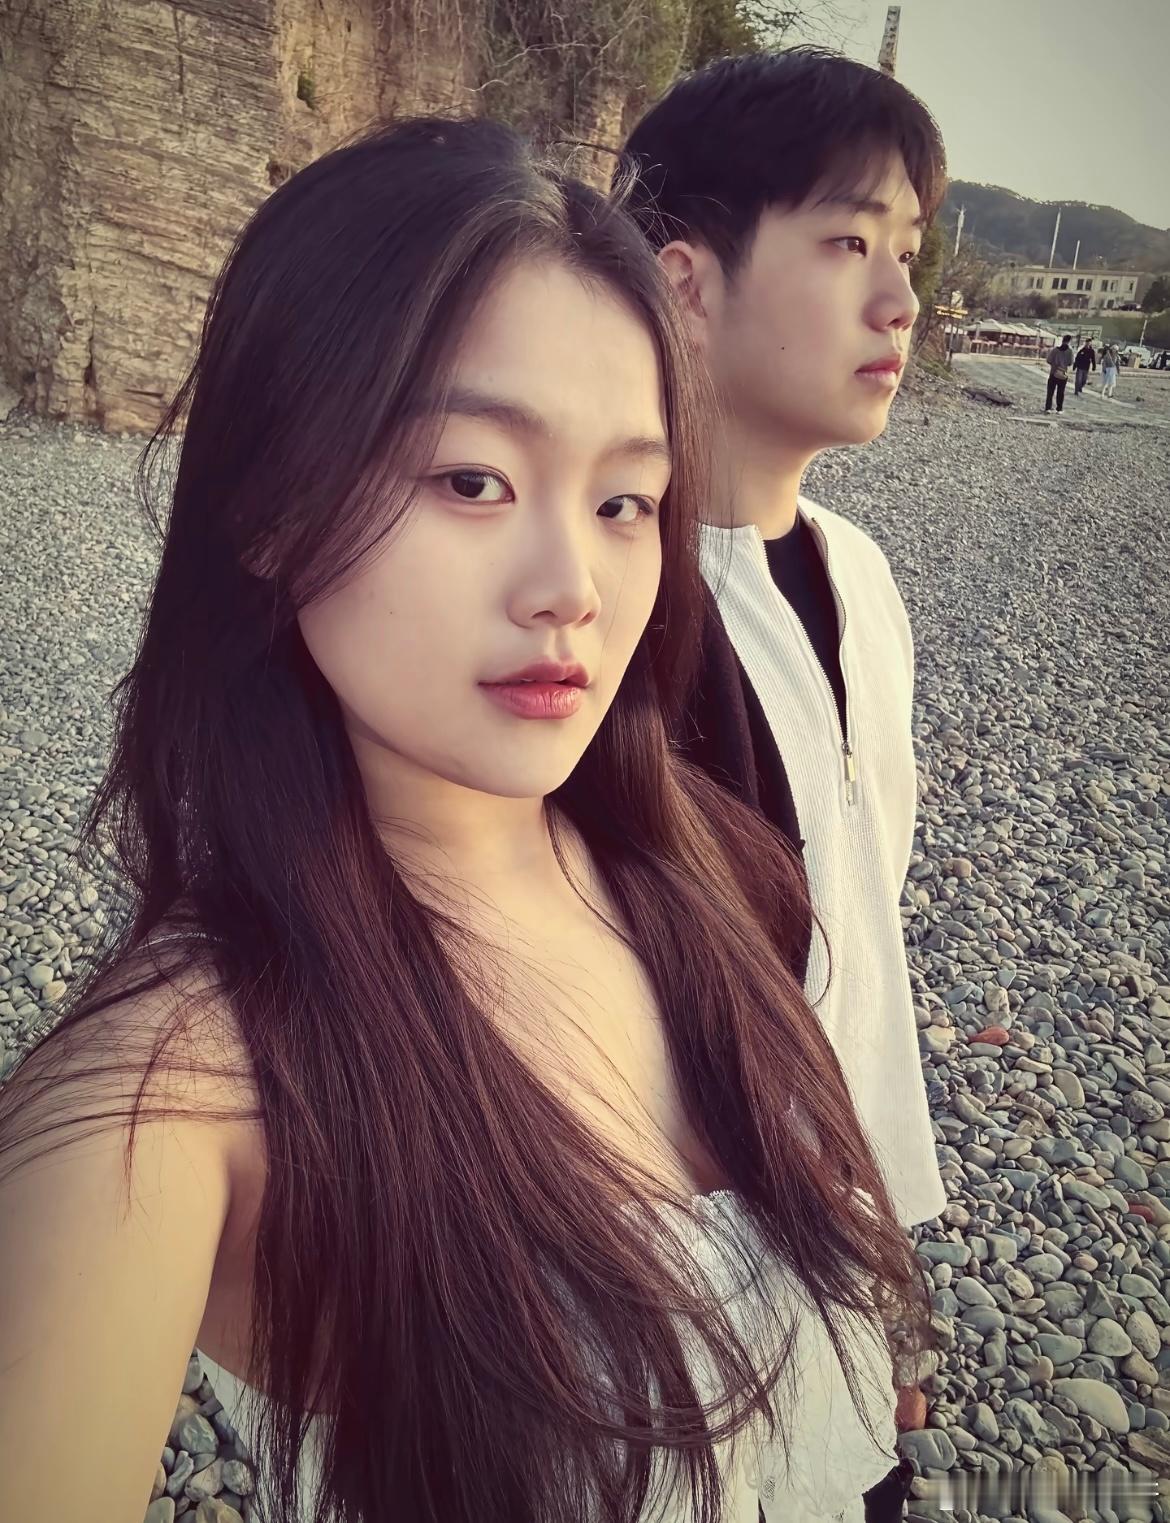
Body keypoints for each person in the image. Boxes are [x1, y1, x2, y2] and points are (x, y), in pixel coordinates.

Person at [0, 119, 930, 1523]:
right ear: (271, 502)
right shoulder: (183, 1082)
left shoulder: (705, 864)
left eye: (625, 500)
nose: (573, 585)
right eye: (472, 479)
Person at [621, 49, 947, 1521]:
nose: (899, 301)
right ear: (684, 282)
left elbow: (860, 949)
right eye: (844, 243)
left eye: (907, 252)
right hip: (676, 1322)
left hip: (839, 1262)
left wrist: (883, 1266)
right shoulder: (609, 617)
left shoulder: (860, 577)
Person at [1045, 335, 1074, 412]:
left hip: (1053, 373)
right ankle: (1059, 409)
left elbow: (1048, 360)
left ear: (1062, 340)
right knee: (1061, 392)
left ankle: (1048, 408)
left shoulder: (1055, 350)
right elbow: (1070, 363)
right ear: (1069, 341)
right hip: (1063, 374)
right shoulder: (1070, 351)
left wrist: (1054, 365)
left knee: (1050, 392)